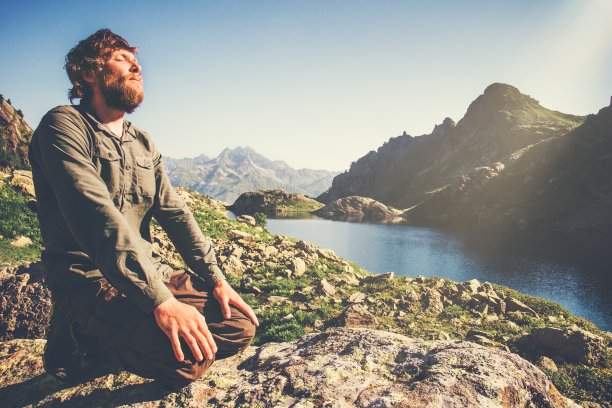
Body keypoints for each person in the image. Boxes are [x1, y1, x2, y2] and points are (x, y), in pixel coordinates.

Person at [28, 28, 258, 388]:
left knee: (240, 325)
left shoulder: (142, 141)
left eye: (137, 62)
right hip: (88, 280)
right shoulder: (63, 126)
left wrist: (216, 280)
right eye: (123, 59)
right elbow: (97, 216)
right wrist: (161, 303)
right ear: (89, 73)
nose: (137, 67)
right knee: (187, 363)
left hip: (149, 273)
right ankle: (77, 339)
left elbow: (175, 213)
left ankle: (113, 335)